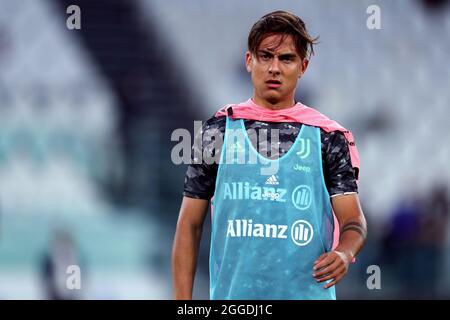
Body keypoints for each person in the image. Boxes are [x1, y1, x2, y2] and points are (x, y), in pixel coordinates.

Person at [172, 10, 367, 300]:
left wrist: (344, 251)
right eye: (266, 56)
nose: (274, 68)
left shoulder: (328, 138)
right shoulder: (217, 132)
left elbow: (354, 221)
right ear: (249, 61)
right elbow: (189, 224)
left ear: (303, 66)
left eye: (286, 58)